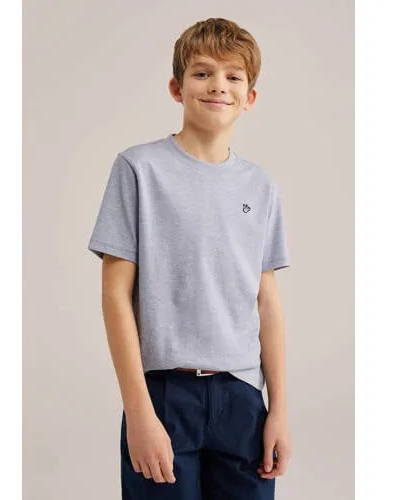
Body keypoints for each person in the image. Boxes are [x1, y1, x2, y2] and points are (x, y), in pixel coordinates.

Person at [88, 17, 292, 500]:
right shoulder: (139, 168)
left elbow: (267, 303)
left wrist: (279, 409)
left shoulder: (261, 187)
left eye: (233, 76)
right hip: (163, 395)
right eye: (202, 73)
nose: (218, 85)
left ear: (250, 97)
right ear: (176, 88)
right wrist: (138, 411)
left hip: (242, 397)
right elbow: (115, 296)